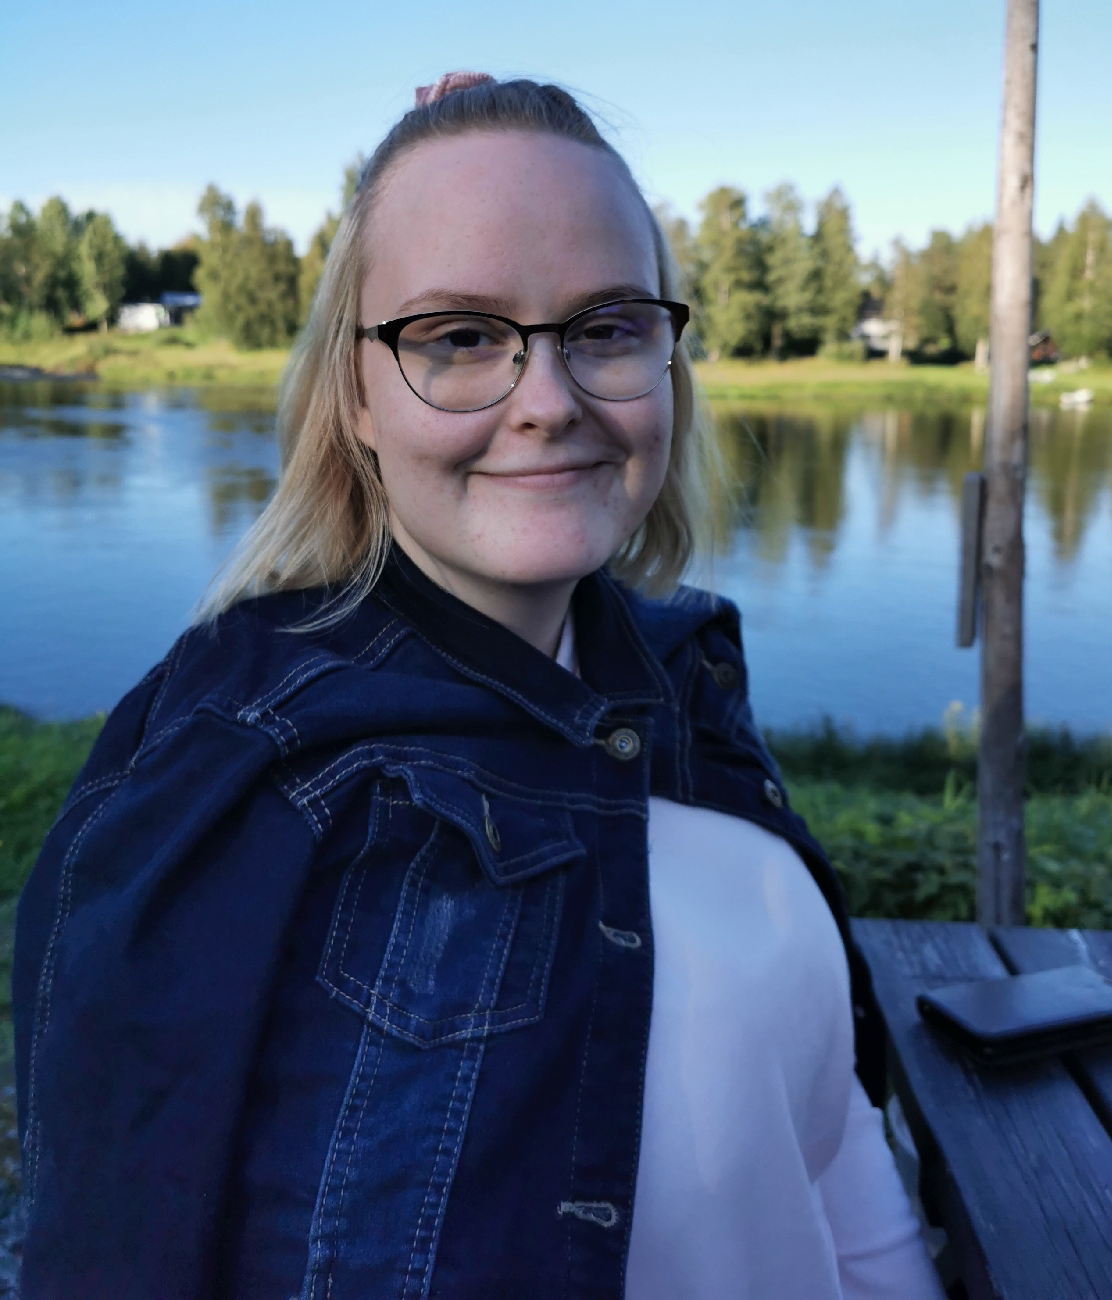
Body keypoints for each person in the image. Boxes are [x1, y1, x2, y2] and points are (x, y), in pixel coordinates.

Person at [14, 75, 942, 1300]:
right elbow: (115, 1245)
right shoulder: (229, 775)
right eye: (458, 337)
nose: (549, 403)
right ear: (356, 394)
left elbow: (826, 1157)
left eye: (604, 328)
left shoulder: (682, 685)